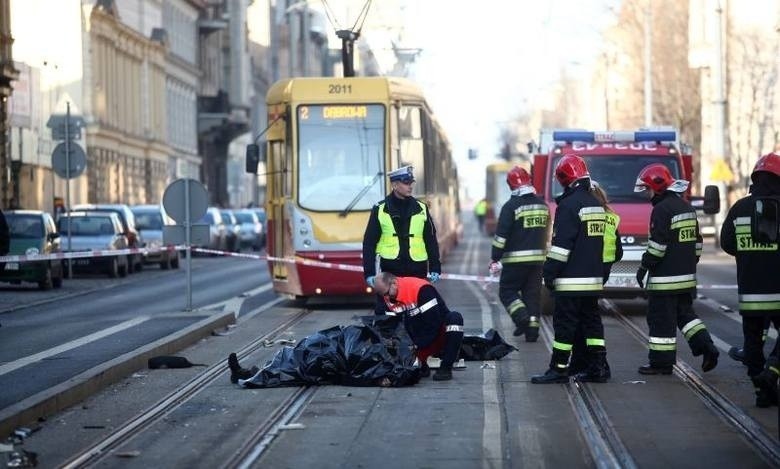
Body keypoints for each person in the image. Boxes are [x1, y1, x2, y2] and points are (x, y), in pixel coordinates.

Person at [633, 163, 719, 375]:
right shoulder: (687, 208)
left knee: (660, 321)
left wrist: (644, 266)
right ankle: (708, 348)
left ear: (657, 187)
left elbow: (658, 247)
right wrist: (688, 264)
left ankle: (661, 363)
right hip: (686, 278)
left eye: (648, 189)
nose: (647, 195)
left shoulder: (661, 210)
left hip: (664, 281)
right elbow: (697, 243)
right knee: (686, 316)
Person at [531, 154, 610, 384]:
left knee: (565, 327)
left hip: (571, 281)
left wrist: (549, 273)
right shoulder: (596, 205)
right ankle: (597, 367)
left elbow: (561, 247)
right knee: (592, 324)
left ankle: (559, 369)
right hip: (592, 281)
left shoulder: (568, 205)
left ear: (565, 179)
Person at [720, 152, 780, 407]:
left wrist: (749, 253)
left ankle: (761, 390)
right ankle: (772, 373)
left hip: (751, 291)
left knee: (752, 343)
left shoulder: (739, 208)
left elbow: (726, 244)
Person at [362, 165, 441, 315]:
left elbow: (431, 240)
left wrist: (435, 267)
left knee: (419, 310)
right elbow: (369, 243)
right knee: (389, 313)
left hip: (417, 270)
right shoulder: (379, 209)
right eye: (406, 182)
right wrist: (369, 273)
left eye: (411, 182)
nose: (410, 186)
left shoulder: (421, 208)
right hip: (391, 272)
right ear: (394, 185)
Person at [568, 182, 623, 377]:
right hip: (602, 271)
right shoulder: (611, 216)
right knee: (589, 314)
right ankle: (592, 362)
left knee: (583, 318)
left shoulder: (586, 213)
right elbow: (618, 252)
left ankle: (590, 363)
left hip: (586, 270)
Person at [488, 166, 549, 341]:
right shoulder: (542, 205)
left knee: (507, 292)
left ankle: (521, 317)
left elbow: (501, 236)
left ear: (510, 185)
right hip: (538, 261)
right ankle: (532, 332)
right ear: (529, 181)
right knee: (532, 295)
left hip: (514, 261)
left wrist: (495, 257)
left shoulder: (511, 206)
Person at [373, 272, 464, 381]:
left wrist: (416, 346)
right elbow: (383, 325)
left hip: (435, 335)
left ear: (394, 283)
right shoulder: (384, 295)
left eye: (387, 293)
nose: (386, 297)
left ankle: (446, 367)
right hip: (414, 341)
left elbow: (433, 322)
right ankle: (420, 365)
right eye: (383, 295)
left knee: (455, 318)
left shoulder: (421, 289)